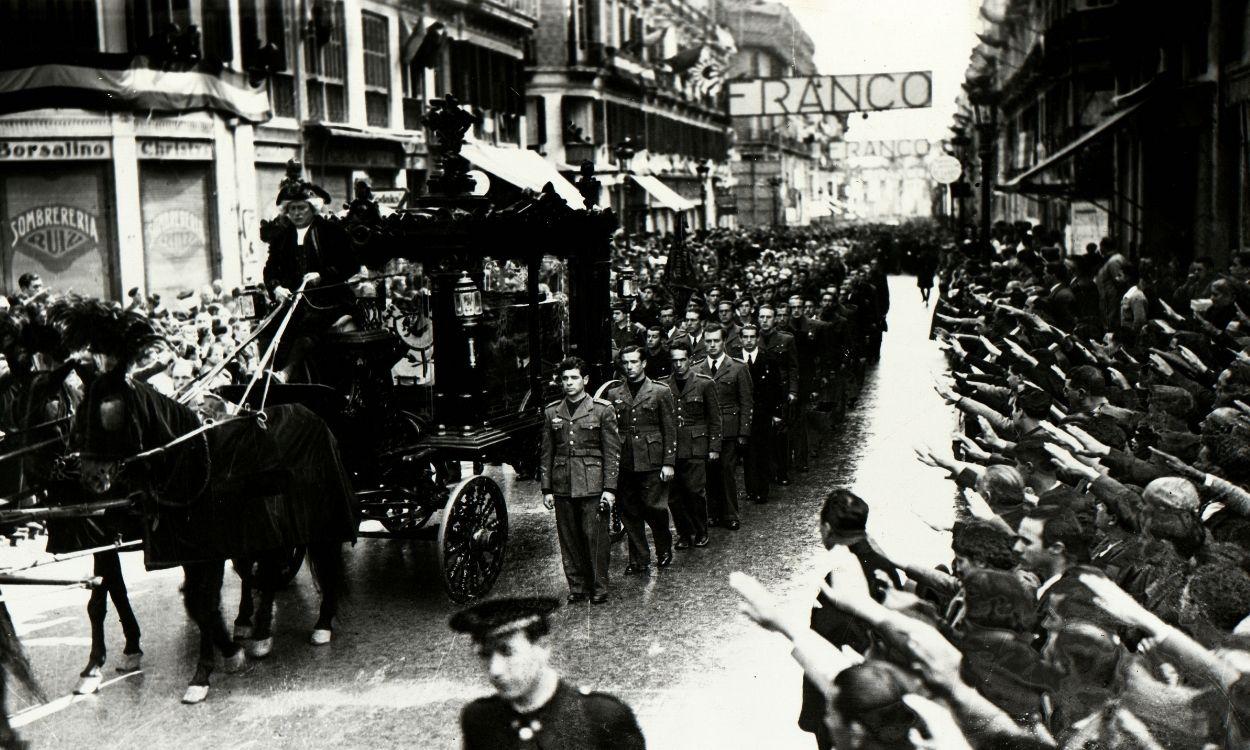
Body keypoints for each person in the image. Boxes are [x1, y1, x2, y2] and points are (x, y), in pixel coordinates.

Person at [452, 597, 646, 750]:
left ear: (543, 647)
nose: (495, 670)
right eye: (485, 654)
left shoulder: (601, 718)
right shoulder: (479, 720)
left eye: (507, 651)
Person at [260, 162, 357, 381]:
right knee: (268, 328)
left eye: (301, 208)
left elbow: (350, 263)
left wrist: (321, 276)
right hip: (291, 302)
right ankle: (265, 376)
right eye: (292, 208)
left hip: (329, 301)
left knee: (307, 326)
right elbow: (270, 269)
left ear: (312, 208)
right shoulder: (282, 238)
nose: (296, 213)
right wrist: (276, 288)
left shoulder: (330, 231)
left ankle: (287, 373)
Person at [540, 357, 621, 604]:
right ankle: (577, 586)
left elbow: (612, 452)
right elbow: (547, 452)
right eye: (565, 378)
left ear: (585, 380)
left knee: (595, 538)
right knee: (569, 539)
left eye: (574, 377)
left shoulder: (602, 410)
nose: (569, 383)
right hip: (563, 484)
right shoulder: (552, 412)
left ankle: (598, 586)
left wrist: (609, 489)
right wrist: (547, 488)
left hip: (592, 485)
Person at [605, 346, 677, 574]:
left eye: (634, 362)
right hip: (625, 461)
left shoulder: (660, 391)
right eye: (625, 363)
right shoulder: (614, 394)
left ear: (644, 363)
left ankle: (664, 549)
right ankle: (639, 558)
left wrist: (668, 462)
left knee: (654, 508)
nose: (629, 367)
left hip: (652, 460)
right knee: (629, 510)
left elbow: (669, 429)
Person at [659, 342, 721, 549]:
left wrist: (714, 447)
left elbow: (714, 418)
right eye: (674, 360)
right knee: (675, 497)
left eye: (682, 359)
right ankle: (684, 534)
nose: (678, 364)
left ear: (690, 359)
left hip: (696, 447)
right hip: (672, 449)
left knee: (695, 492)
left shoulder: (704, 384)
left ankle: (701, 531)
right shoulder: (663, 386)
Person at [695, 325, 752, 530]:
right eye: (708, 341)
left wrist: (744, 432)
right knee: (708, 474)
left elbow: (746, 401)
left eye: (716, 341)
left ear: (724, 341)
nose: (711, 345)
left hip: (729, 430)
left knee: (727, 472)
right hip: (706, 431)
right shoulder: (697, 369)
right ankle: (712, 514)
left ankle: (730, 514)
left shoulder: (737, 367)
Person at [739, 323, 783, 504]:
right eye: (745, 337)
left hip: (763, 414)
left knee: (763, 452)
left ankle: (762, 491)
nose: (748, 341)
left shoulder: (769, 359)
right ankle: (750, 489)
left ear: (757, 339)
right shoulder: (735, 361)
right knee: (747, 454)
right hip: (743, 415)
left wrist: (776, 413)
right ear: (740, 339)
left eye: (752, 337)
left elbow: (776, 387)